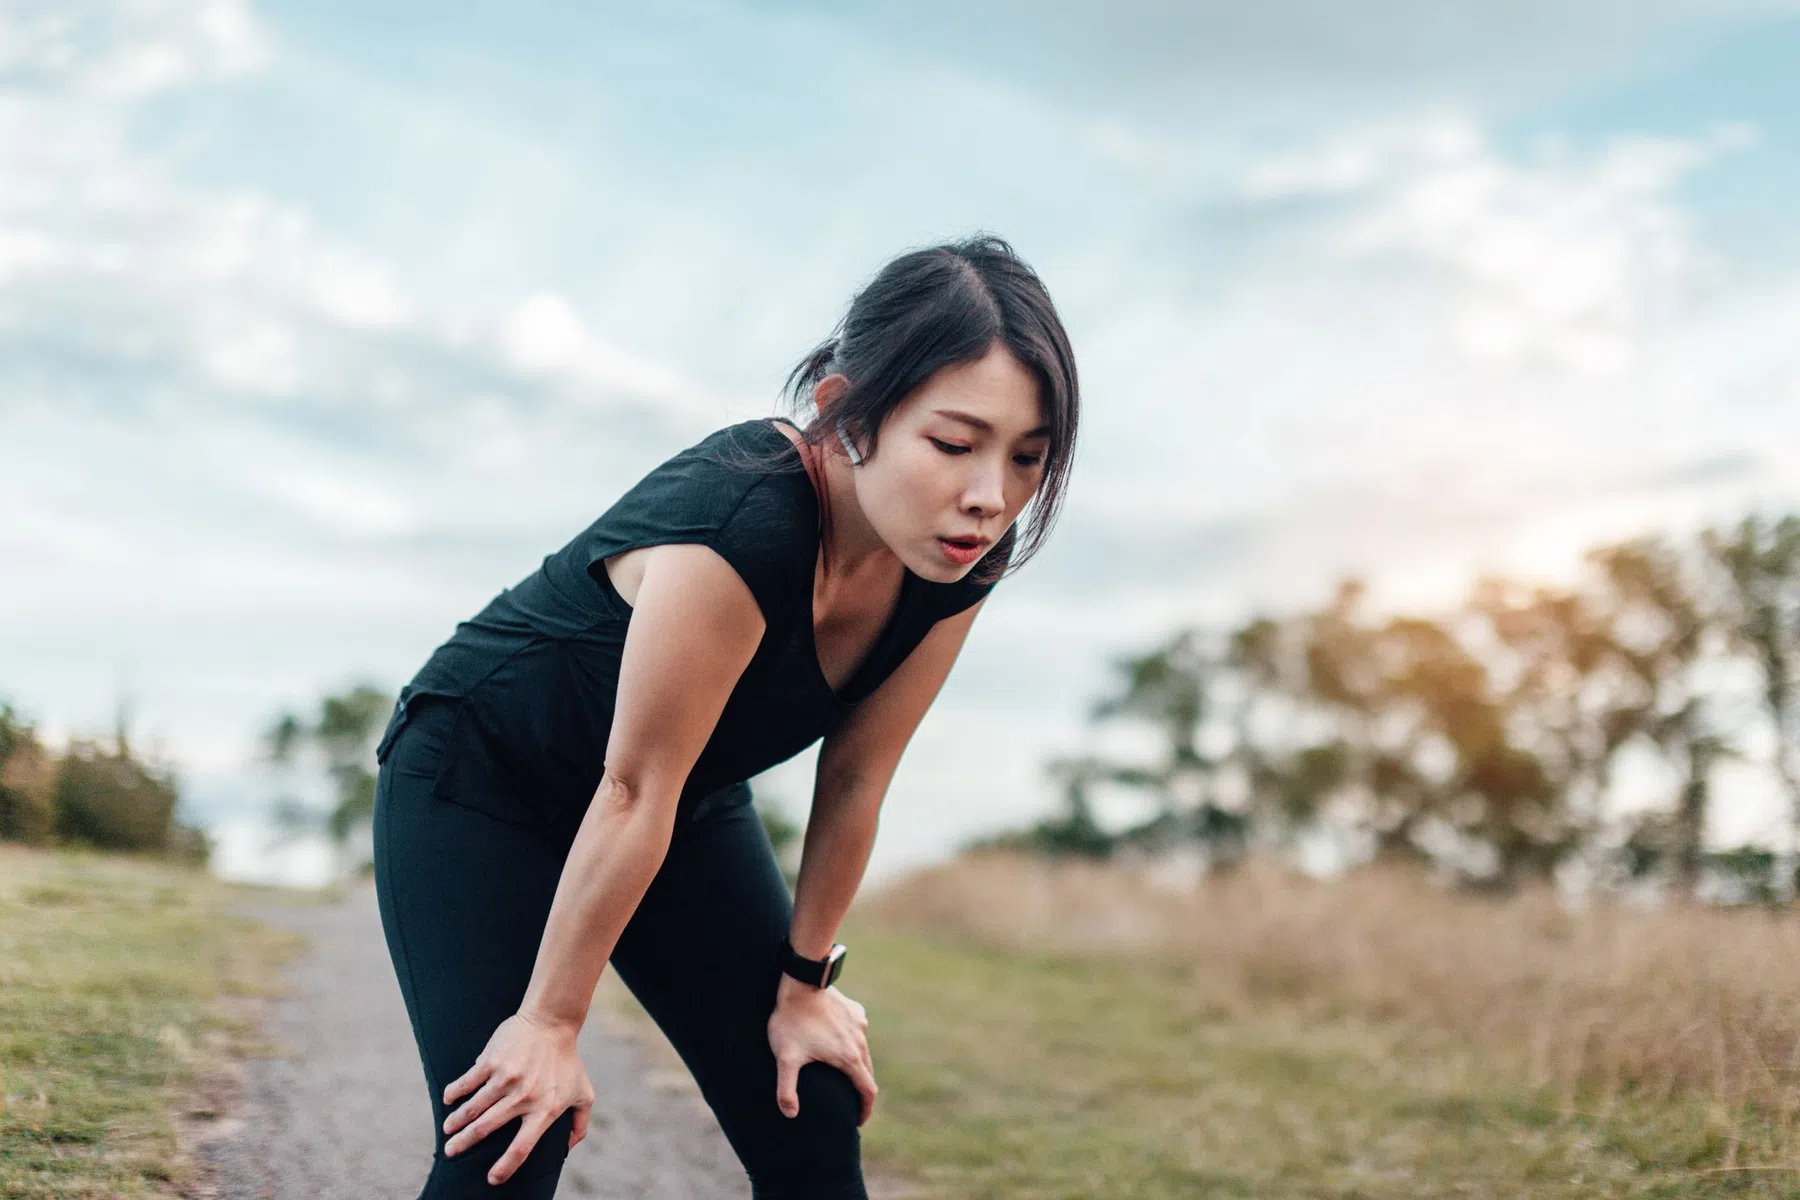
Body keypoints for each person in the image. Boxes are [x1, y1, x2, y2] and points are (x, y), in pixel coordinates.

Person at [371, 233, 1080, 1198]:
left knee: (812, 1111)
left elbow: (858, 777)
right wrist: (549, 1023)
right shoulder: (740, 519)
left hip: (680, 800)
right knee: (511, 1139)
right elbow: (629, 788)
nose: (989, 497)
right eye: (953, 445)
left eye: (1027, 459)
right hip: (483, 777)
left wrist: (804, 986)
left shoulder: (957, 559)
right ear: (847, 414)